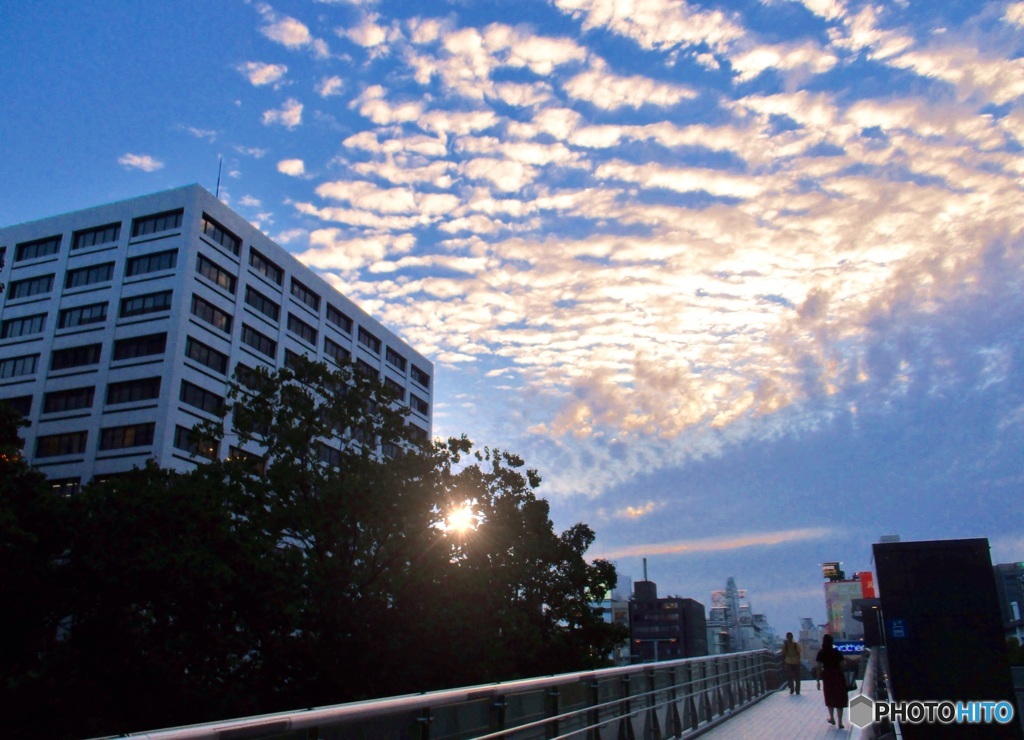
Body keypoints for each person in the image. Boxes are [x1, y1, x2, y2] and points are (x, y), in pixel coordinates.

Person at [816, 634, 848, 728]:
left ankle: (832, 718)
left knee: (829, 696)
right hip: (838, 675)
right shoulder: (836, 652)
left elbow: (818, 667)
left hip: (827, 676)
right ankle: (840, 722)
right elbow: (843, 664)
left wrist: (818, 681)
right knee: (839, 697)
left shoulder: (821, 653)